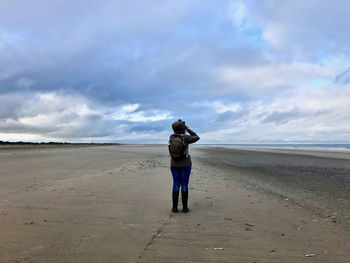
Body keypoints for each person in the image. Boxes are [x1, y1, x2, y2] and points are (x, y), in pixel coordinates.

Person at [169, 119, 200, 213]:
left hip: (174, 164)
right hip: (186, 164)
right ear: (183, 128)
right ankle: (185, 208)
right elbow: (196, 137)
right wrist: (188, 129)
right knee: (184, 185)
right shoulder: (185, 138)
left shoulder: (171, 137)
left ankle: (174, 208)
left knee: (175, 184)